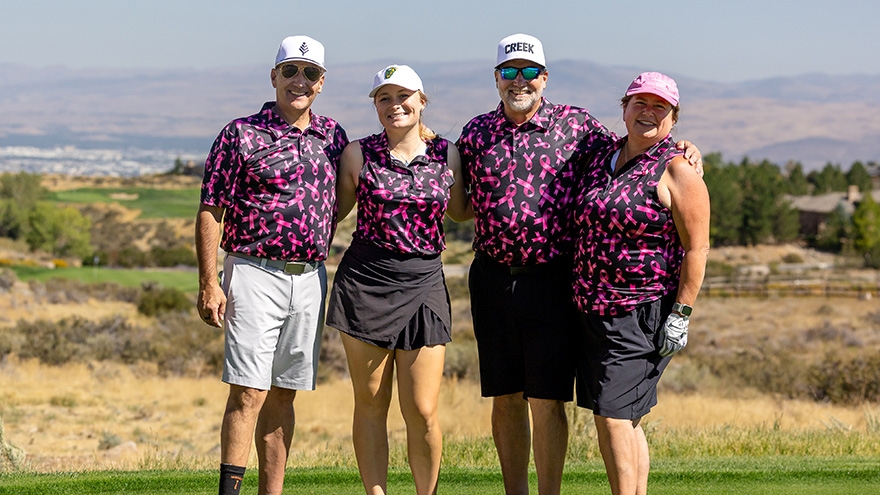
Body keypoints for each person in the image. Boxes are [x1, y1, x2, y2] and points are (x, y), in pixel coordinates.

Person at [455, 34, 703, 495]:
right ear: (496, 78)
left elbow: (640, 150)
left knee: (546, 399)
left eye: (530, 71)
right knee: (504, 398)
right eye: (509, 71)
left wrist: (683, 149)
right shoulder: (475, 133)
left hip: (554, 281)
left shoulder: (579, 128)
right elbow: (461, 205)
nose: (520, 80)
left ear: (544, 77)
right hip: (491, 279)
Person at [195, 35, 348, 495]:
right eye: (291, 71)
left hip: (310, 277)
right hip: (253, 271)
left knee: (284, 393)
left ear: (321, 82)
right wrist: (209, 282)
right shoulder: (240, 133)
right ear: (274, 76)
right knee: (248, 391)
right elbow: (211, 209)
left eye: (310, 73)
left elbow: (341, 199)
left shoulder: (334, 136)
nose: (300, 80)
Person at [326, 65, 471, 495]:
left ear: (422, 101)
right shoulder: (357, 154)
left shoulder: (447, 154)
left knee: (422, 410)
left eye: (404, 96)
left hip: (424, 283)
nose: (395, 105)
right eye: (384, 98)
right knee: (371, 404)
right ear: (375, 105)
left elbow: (461, 210)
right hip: (365, 284)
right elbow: (330, 214)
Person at [571, 72, 711, 495]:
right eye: (640, 103)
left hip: (641, 311)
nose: (648, 113)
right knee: (622, 417)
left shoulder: (678, 170)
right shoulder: (602, 156)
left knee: (613, 417)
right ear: (625, 108)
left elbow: (697, 248)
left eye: (659, 107)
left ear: (673, 118)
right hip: (591, 309)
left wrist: (681, 314)